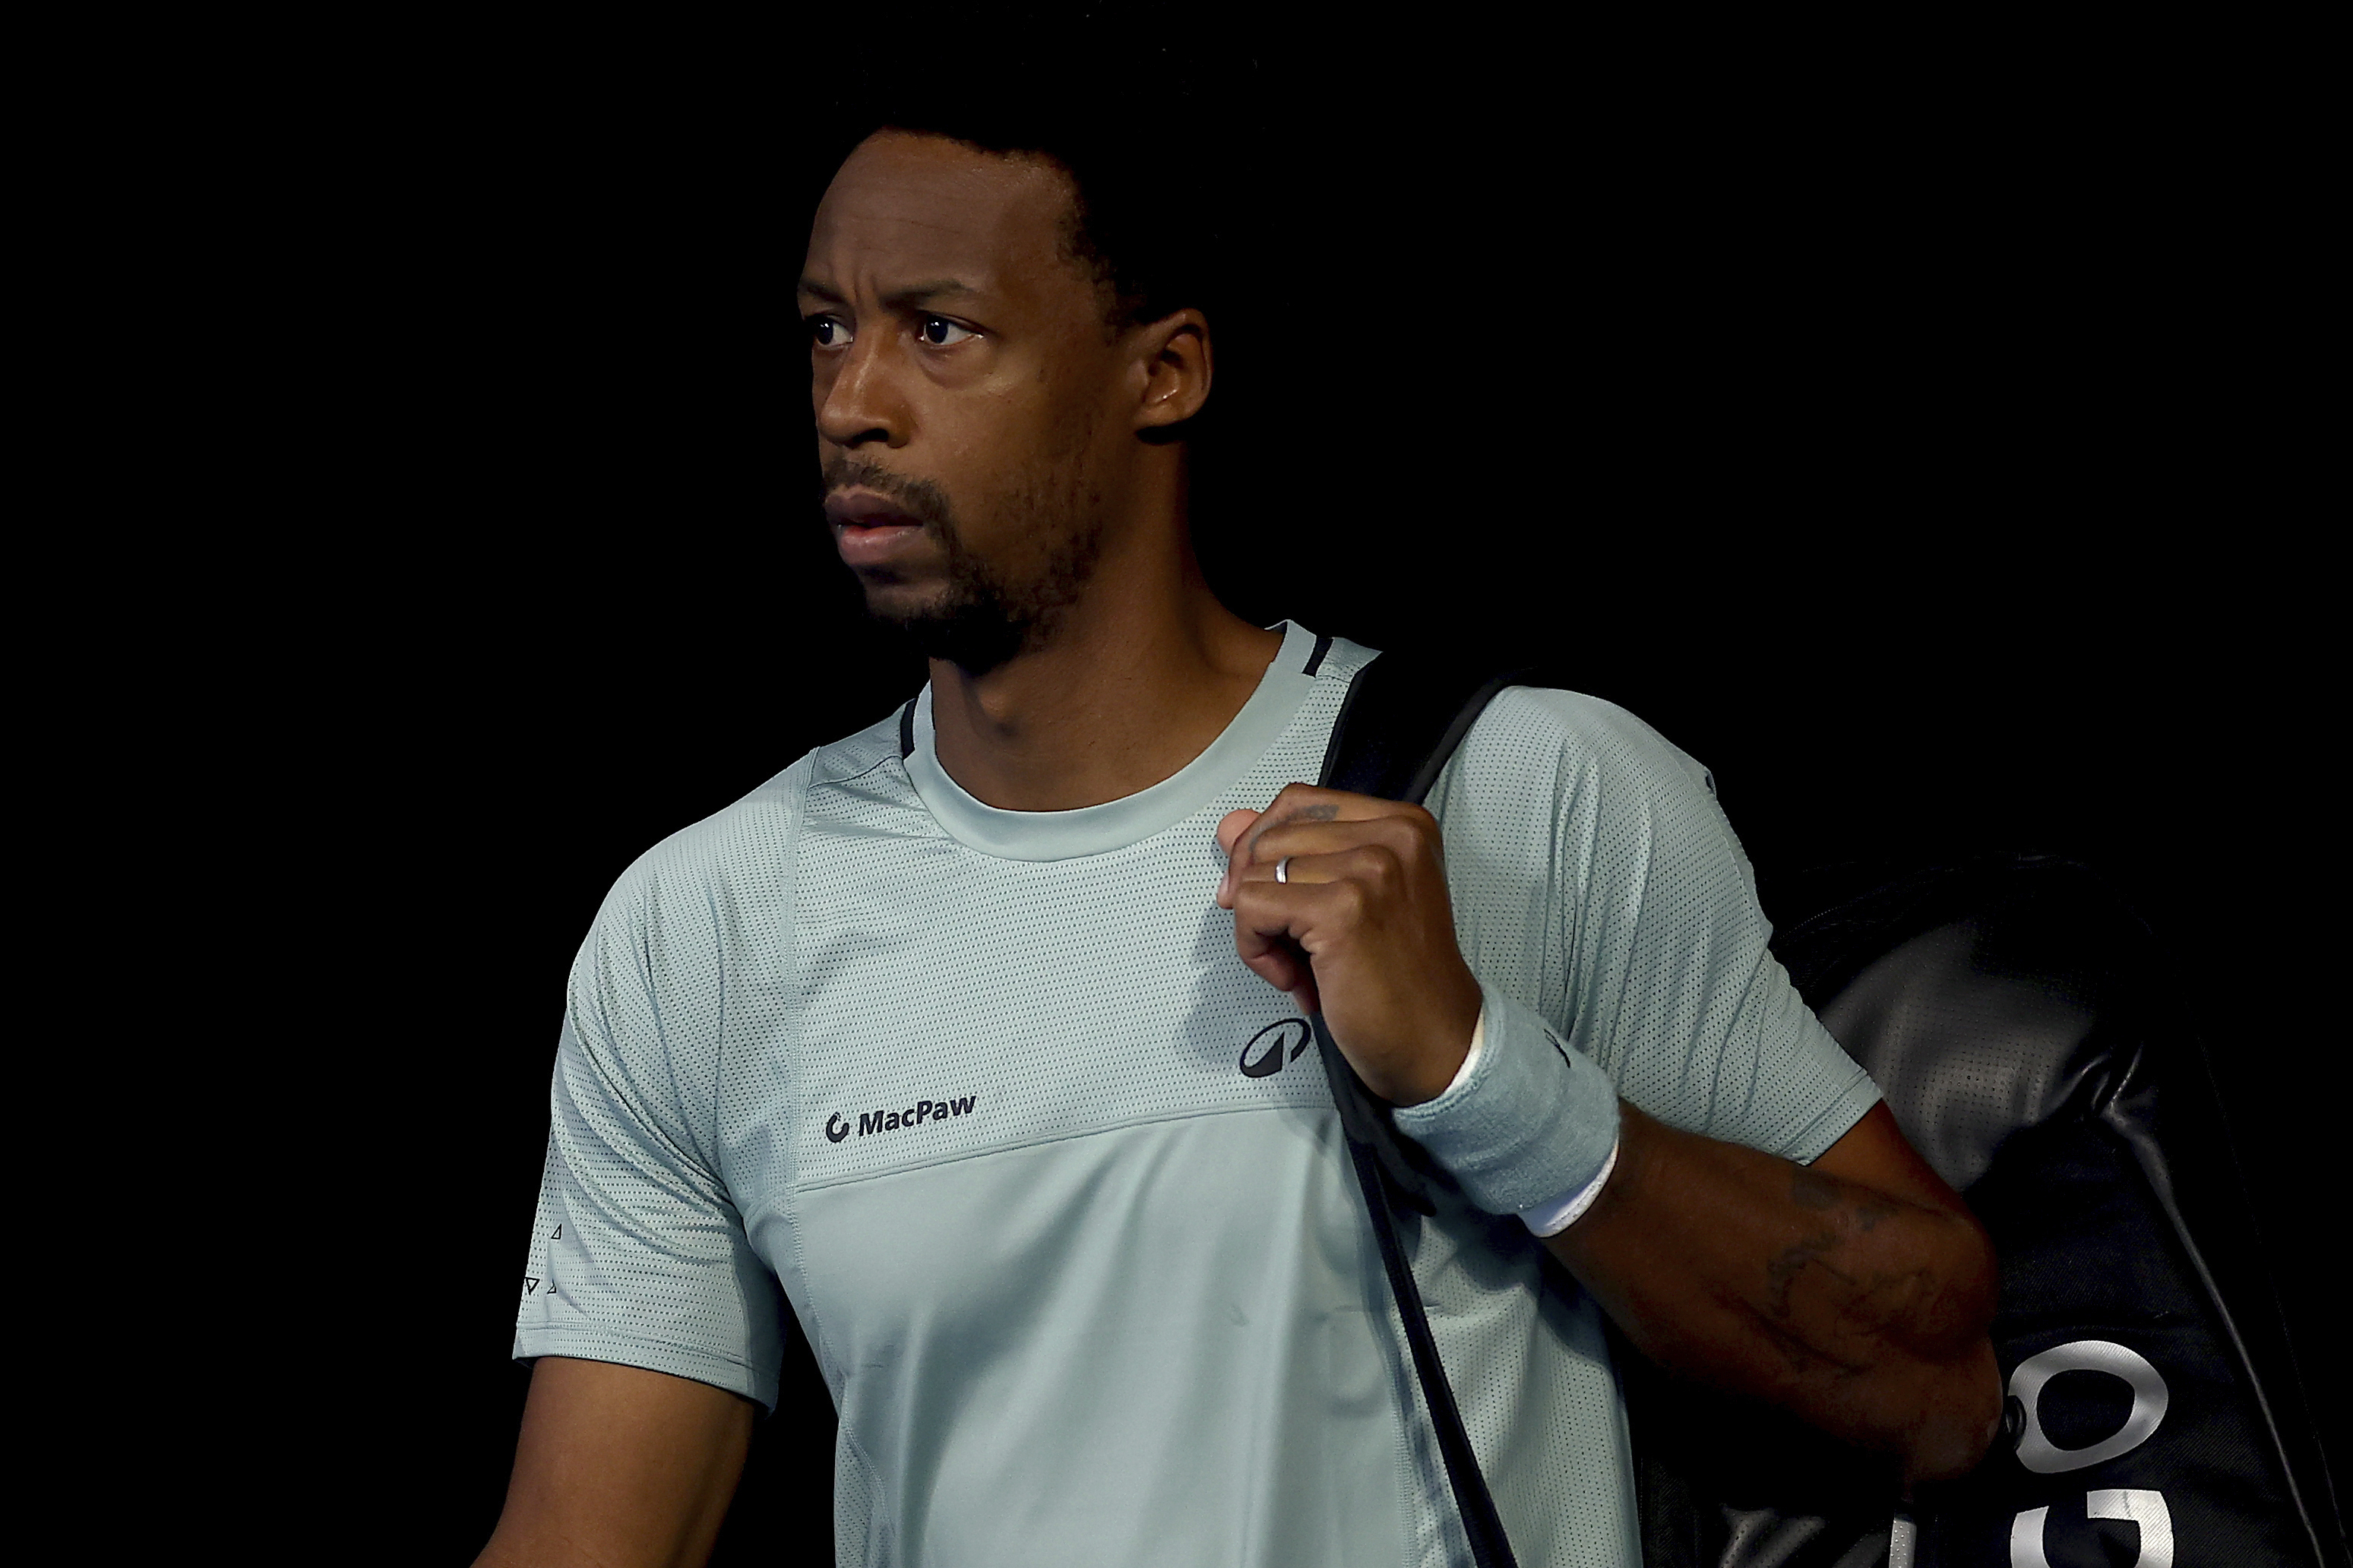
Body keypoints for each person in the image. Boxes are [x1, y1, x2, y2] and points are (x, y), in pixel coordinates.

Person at [476, 81, 2004, 1568]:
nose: (851, 403)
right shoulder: (707, 921)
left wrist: (1484, 1076)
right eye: (827, 330)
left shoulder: (1529, 794)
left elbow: (1937, 1389)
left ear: (1165, 373)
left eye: (937, 331)